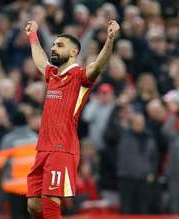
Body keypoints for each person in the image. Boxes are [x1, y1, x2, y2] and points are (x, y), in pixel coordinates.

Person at [25, 19, 120, 219]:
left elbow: (99, 64)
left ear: (73, 52)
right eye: (53, 45)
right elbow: (40, 60)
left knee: (51, 204)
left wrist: (110, 40)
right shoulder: (52, 75)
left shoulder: (80, 76)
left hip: (62, 148)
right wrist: (33, 35)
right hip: (43, 148)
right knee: (34, 206)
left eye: (59, 45)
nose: (53, 48)